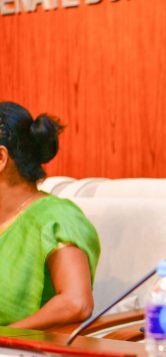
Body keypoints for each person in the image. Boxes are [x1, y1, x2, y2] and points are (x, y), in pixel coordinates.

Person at [0, 102, 100, 329]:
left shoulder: (56, 218)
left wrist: (9, 336)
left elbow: (76, 303)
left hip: (20, 348)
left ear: (1, 157)